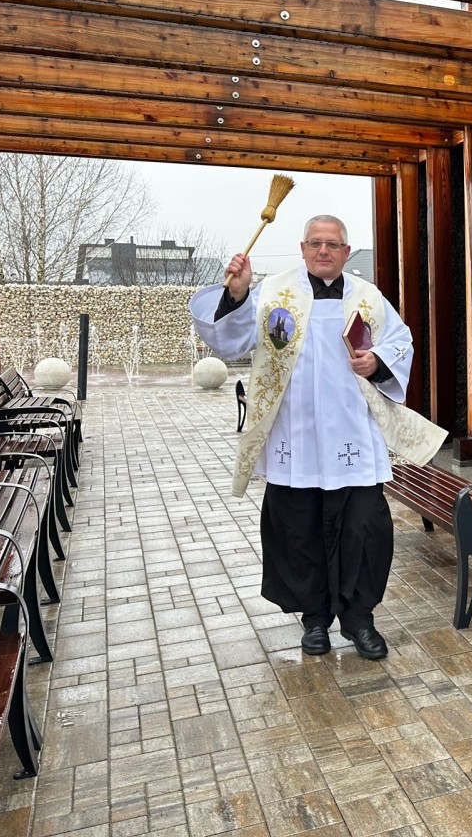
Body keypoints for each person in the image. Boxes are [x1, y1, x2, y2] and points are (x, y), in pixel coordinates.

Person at [188, 214, 443, 659]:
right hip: (295, 435)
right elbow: (230, 342)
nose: (324, 251)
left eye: (333, 244)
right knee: (298, 530)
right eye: (316, 243)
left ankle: (359, 619)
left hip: (351, 433)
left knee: (364, 527)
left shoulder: (367, 296)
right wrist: (238, 294)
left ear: (346, 252)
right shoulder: (273, 292)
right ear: (302, 249)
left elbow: (401, 341)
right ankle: (315, 619)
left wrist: (377, 361)